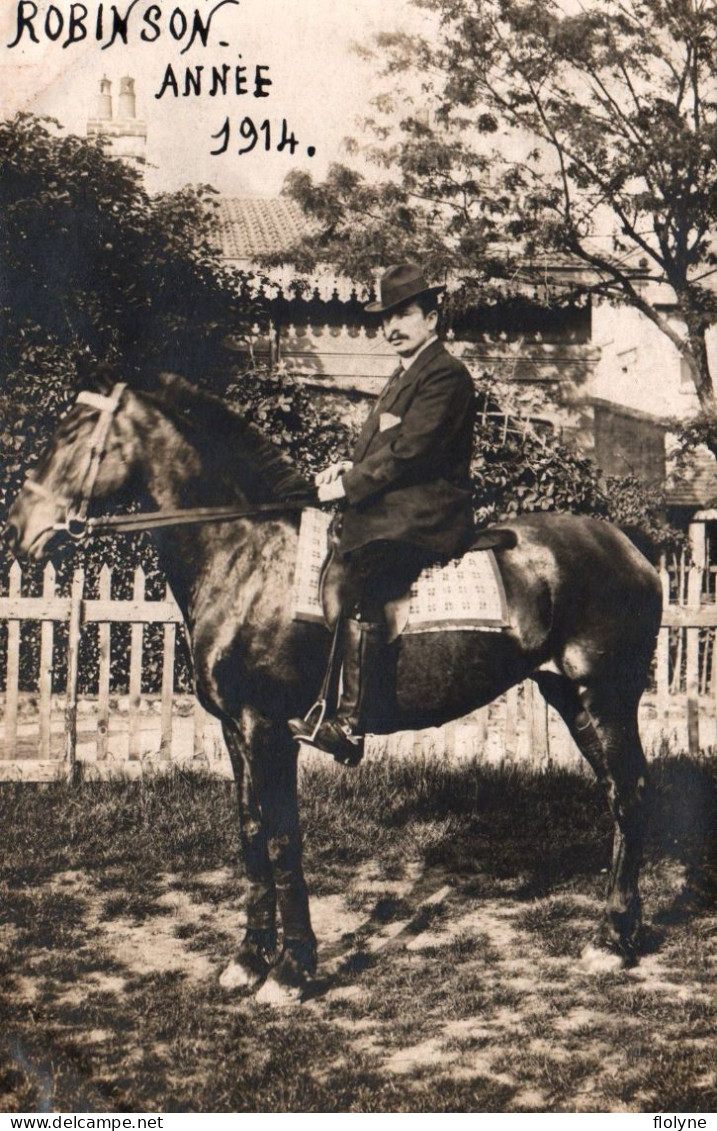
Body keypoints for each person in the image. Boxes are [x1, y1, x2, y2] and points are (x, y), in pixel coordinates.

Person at [289, 262, 477, 763]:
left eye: (403, 314)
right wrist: (347, 467)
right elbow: (384, 447)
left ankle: (350, 724)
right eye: (385, 318)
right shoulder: (404, 374)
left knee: (366, 570)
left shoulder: (445, 375)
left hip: (428, 509)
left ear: (432, 318)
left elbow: (414, 452)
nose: (391, 327)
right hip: (400, 501)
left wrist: (349, 488)